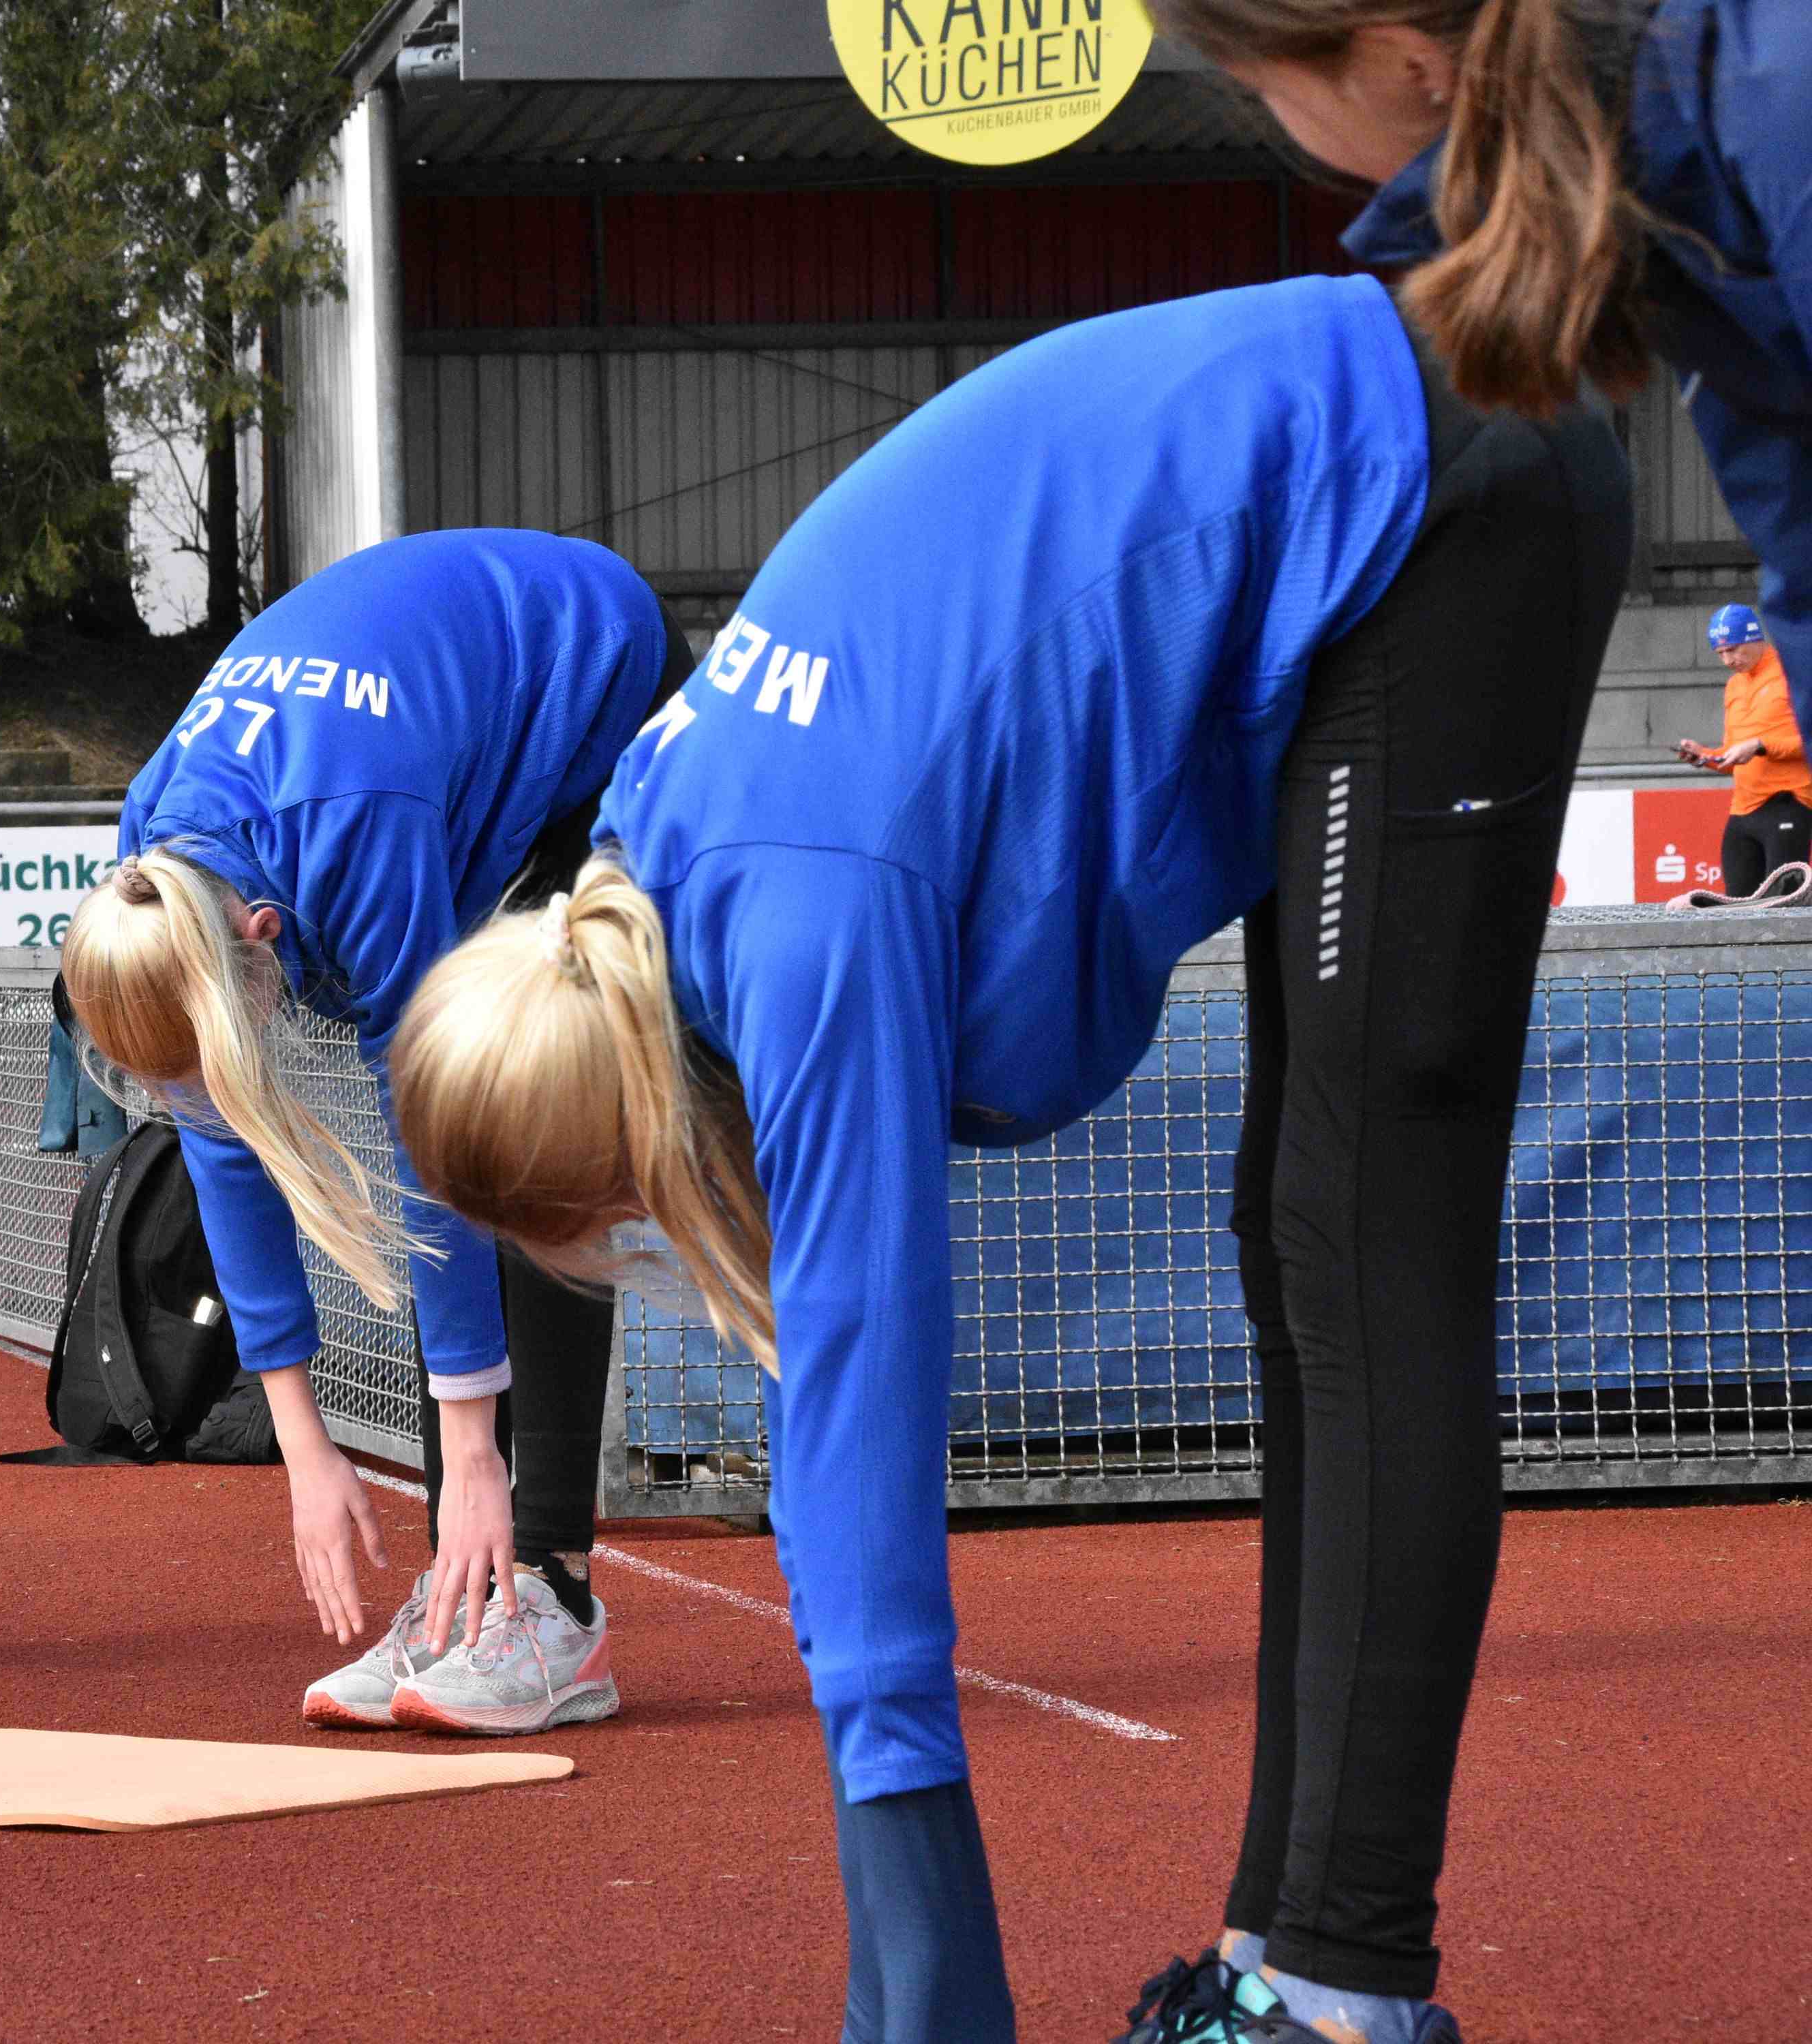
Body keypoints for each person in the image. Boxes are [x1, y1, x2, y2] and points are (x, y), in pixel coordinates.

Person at [384, 275, 1630, 2043]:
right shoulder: (649, 868)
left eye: (619, 1237)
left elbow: (861, 1373)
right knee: (1300, 1239)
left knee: (1367, 1242)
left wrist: (923, 1939)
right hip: (1359, 472)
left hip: (1444, 469)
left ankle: (1344, 1993)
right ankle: (1279, 1966)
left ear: (628, 1157)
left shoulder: (798, 923)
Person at [59, 528, 688, 1735]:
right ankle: (471, 1587)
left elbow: (430, 1148)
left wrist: (473, 1460)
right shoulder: (153, 872)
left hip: (592, 682)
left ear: (260, 935)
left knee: (517, 1127)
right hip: (435, 738)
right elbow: (223, 1147)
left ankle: (549, 1598)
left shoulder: (352, 828)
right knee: (473, 1158)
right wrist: (304, 1448)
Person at [1143, 0, 1811, 735]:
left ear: (1405, 64)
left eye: (1262, 90)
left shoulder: (1770, 103)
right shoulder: (1678, 157)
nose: (1283, 127)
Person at [1675, 601, 1809, 895]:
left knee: (1783, 905)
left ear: (1754, 637)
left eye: (1733, 649)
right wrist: (1704, 757)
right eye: (1720, 653)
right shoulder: (1735, 686)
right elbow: (1734, 755)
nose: (1728, 660)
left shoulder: (1795, 673)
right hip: (1743, 808)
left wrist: (1761, 746)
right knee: (1736, 905)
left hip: (1787, 802)